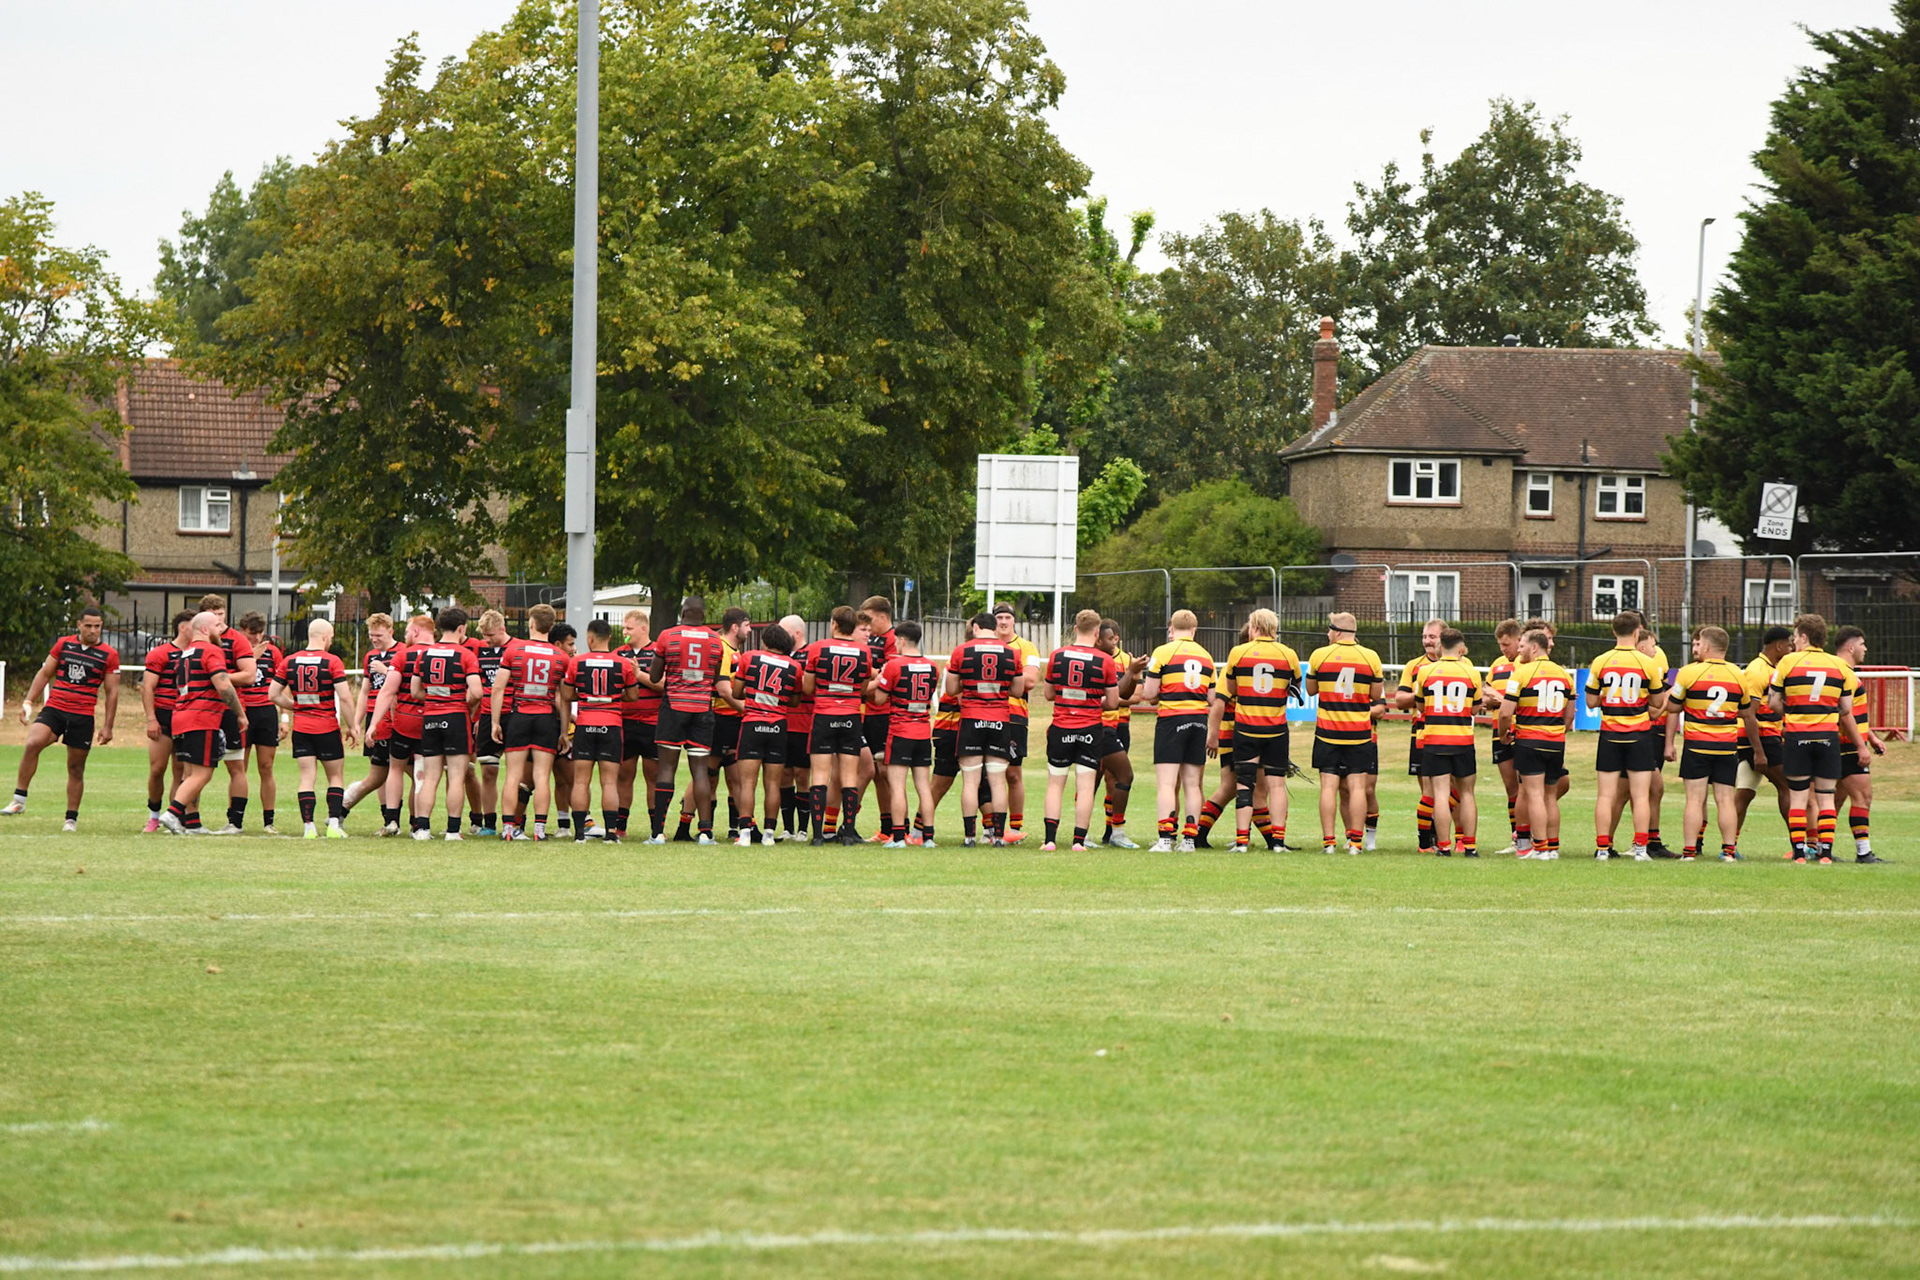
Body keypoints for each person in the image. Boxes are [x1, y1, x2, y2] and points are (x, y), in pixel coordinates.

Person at [2, 606, 120, 832]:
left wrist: (108, 726)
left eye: (98, 626)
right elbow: (45, 673)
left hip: (83, 715)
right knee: (33, 742)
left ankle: (70, 819)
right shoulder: (64, 644)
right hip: (55, 708)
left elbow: (112, 692)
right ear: (79, 625)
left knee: (76, 768)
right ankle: (19, 800)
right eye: (89, 626)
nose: (94, 630)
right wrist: (28, 701)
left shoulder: (109, 655)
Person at [1769, 613, 1862, 863]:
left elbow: (1773, 701)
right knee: (1826, 796)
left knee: (1798, 796)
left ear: (1804, 636)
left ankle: (1800, 853)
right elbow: (1845, 707)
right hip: (1827, 737)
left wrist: (1791, 713)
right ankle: (1826, 853)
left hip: (1797, 736)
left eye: (1795, 637)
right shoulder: (1839, 666)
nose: (1794, 641)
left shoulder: (1788, 662)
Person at [1664, 625, 1761, 862]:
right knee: (1726, 799)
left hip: (1697, 745)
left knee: (1695, 799)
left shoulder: (1688, 673)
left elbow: (1673, 708)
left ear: (1706, 646)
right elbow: (1746, 712)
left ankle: (1689, 852)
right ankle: (1728, 851)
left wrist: (1670, 741)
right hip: (1727, 745)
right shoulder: (1738, 674)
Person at [1209, 608, 1300, 853]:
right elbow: (1296, 687)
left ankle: (1241, 842)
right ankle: (1278, 842)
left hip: (1246, 728)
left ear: (1255, 627)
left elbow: (1231, 687)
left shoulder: (1239, 652)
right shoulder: (1288, 654)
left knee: (1244, 785)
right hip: (1276, 729)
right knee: (1277, 786)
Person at [1123, 609, 1214, 852]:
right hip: (1198, 720)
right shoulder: (1206, 656)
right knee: (1192, 784)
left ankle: (1165, 838)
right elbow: (1212, 697)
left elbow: (1149, 694)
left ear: (1171, 629)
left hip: (1172, 720)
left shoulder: (1163, 652)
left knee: (1166, 783)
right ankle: (1189, 840)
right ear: (1194, 630)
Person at [1585, 611, 1670, 860]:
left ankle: (1602, 848)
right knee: (1641, 794)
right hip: (1640, 734)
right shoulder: (1648, 664)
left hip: (1610, 734)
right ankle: (1641, 849)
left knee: (1605, 795)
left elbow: (1590, 701)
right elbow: (1656, 701)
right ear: (1637, 633)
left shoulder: (1601, 661)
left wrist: (1611, 697)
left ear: (1614, 632)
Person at [646, 597, 727, 844]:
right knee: (701, 771)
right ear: (703, 615)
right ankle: (706, 832)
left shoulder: (667, 636)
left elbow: (655, 675)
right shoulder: (715, 640)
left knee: (667, 768)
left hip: (674, 706)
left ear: (682, 613)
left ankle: (658, 833)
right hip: (702, 708)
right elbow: (714, 677)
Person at [1038, 610, 1120, 852]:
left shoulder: (1057, 656)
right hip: (1090, 729)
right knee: (1085, 786)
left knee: (1055, 784)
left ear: (1075, 629)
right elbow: (1113, 702)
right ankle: (1078, 842)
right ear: (1097, 633)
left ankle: (1050, 840)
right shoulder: (1105, 661)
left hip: (1061, 725)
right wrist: (1093, 701)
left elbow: (1049, 694)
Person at [1304, 612, 1384, 855]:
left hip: (1328, 731)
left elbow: (1310, 690)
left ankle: (1329, 843)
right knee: (1358, 786)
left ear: (1337, 631)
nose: (1327, 634)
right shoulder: (1370, 657)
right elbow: (1376, 695)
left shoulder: (1319, 655)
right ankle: (1356, 844)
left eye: (1329, 630)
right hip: (1359, 732)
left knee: (1328, 786)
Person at [158, 612, 245, 835]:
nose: (221, 629)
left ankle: (193, 823)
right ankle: (172, 813)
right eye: (217, 625)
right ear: (204, 630)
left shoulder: (184, 654)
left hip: (181, 716)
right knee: (202, 774)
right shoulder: (212, 651)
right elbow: (223, 686)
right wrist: (240, 713)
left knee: (189, 772)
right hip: (202, 716)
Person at [1397, 628, 1480, 856]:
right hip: (1462, 739)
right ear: (1461, 648)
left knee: (1440, 794)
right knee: (1467, 794)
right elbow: (1475, 708)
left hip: (1434, 739)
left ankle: (1443, 847)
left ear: (1440, 647)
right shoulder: (1471, 672)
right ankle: (1469, 846)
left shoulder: (1426, 671)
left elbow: (1421, 706)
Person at [270, 619, 356, 839]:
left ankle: (309, 827)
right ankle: (334, 825)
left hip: (302, 727)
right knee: (335, 777)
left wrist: (297, 706)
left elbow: (273, 694)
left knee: (306, 777)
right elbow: (345, 698)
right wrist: (353, 726)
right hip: (326, 726)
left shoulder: (290, 660)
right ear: (326, 636)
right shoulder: (332, 661)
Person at [946, 612, 1023, 847]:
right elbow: (1018, 691)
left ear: (976, 626)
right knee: (998, 781)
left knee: (970, 782)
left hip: (971, 718)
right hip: (999, 718)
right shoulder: (1012, 653)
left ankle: (969, 837)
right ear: (995, 628)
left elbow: (950, 688)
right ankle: (998, 837)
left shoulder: (962, 650)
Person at [405, 608, 482, 841]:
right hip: (456, 717)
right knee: (457, 776)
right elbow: (477, 691)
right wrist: (463, 702)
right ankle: (452, 830)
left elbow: (414, 691)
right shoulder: (466, 655)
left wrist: (434, 698)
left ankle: (423, 828)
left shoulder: (424, 655)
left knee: (430, 777)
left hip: (430, 717)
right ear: (462, 628)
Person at [800, 605, 876, 845]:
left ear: (834, 623)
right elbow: (863, 689)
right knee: (849, 776)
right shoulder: (864, 652)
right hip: (851, 716)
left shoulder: (817, 648)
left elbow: (808, 688)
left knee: (820, 775)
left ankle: (818, 835)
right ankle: (848, 832)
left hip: (823, 714)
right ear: (853, 626)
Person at [1497, 627, 1575, 860]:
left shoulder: (1522, 674)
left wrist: (1503, 735)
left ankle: (1539, 847)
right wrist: (1557, 731)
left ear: (1533, 647)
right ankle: (1553, 848)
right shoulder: (1564, 675)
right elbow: (1570, 715)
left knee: (1533, 794)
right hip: (1555, 741)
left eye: (1522, 646)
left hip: (1530, 740)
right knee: (1550, 795)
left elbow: (1504, 713)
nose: (1519, 650)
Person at [492, 604, 567, 841]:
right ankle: (539, 830)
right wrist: (564, 731)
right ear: (551, 627)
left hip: (520, 715)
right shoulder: (561, 656)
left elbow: (498, 688)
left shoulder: (514, 650)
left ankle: (507, 828)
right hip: (546, 717)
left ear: (531, 624)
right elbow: (563, 698)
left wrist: (495, 722)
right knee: (542, 776)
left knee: (513, 775)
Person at [561, 619, 637, 843]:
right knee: (610, 782)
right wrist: (613, 697)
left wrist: (584, 696)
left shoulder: (578, 662)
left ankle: (579, 834)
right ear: (610, 638)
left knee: (581, 781)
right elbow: (633, 696)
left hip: (585, 724)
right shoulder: (622, 663)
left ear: (590, 638)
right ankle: (611, 834)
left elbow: (566, 695)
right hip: (611, 724)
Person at [726, 623, 800, 846]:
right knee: (773, 784)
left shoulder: (749, 657)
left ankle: (746, 833)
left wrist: (755, 691)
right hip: (777, 726)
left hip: (753, 723)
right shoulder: (794, 666)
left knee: (747, 782)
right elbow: (794, 701)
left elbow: (736, 692)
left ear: (765, 642)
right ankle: (769, 834)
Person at [871, 620, 941, 848]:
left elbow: (880, 699)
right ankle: (928, 837)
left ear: (901, 640)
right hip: (922, 731)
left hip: (900, 731)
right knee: (923, 786)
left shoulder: (893, 665)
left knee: (898, 785)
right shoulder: (932, 667)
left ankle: (899, 837)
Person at [366, 614, 434, 836]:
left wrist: (373, 723)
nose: (406, 636)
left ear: (416, 631)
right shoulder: (443, 653)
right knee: (421, 773)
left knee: (395, 769)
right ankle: (419, 823)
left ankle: (392, 821)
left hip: (404, 720)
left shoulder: (403, 655)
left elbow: (387, 691)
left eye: (407, 631)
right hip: (432, 721)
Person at [198, 594, 257, 834]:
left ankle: (235, 821)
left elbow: (249, 675)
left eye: (221, 613)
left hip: (230, 711)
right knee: (195, 768)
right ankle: (190, 819)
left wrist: (218, 678)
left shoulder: (237, 640)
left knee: (236, 767)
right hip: (201, 711)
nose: (218, 619)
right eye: (213, 615)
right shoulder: (197, 641)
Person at [1736, 625, 1795, 855]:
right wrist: (1758, 751)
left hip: (1764, 738)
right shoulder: (1758, 670)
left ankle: (1729, 847)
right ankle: (1799, 845)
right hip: (1760, 739)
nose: (1791, 648)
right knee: (1788, 785)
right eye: (1789, 644)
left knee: (1745, 792)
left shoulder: (1772, 668)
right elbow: (1749, 713)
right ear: (1779, 646)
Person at [1833, 625, 1888, 863]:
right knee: (1863, 797)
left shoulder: (1837, 670)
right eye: (1863, 644)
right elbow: (1844, 714)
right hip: (1847, 744)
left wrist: (1872, 736)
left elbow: (1852, 712)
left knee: (1832, 799)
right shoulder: (1845, 673)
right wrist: (1861, 745)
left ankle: (1815, 847)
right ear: (1850, 646)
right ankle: (1863, 852)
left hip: (1840, 742)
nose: (1865, 649)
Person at [341, 613, 401, 828]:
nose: (375, 639)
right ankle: (389, 820)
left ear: (391, 632)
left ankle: (411, 821)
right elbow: (366, 692)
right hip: (376, 722)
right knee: (380, 773)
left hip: (396, 720)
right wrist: (357, 722)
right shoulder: (370, 657)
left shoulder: (401, 652)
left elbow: (402, 686)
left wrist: (387, 671)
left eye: (379, 635)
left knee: (400, 769)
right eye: (371, 635)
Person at [992, 603, 1045, 843]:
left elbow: (1031, 681)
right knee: (987, 773)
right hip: (987, 714)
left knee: (1013, 773)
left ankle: (1015, 827)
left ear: (1014, 621)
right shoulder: (986, 645)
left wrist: (993, 680)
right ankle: (989, 828)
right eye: (999, 617)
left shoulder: (1026, 647)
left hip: (1014, 716)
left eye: (1007, 617)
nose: (1003, 622)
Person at [140, 610, 195, 833]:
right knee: (157, 768)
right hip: (164, 716)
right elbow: (147, 687)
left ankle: (173, 817)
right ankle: (153, 815)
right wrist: (151, 718)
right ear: (183, 627)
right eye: (195, 625)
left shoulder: (198, 653)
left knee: (181, 771)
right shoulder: (161, 653)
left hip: (188, 716)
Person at [1094, 619, 1145, 848]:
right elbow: (1118, 698)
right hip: (1098, 725)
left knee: (1113, 778)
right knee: (1094, 776)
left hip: (1120, 725)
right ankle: (1091, 832)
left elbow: (1135, 696)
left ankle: (1110, 831)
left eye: (1115, 638)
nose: (1113, 642)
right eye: (1108, 638)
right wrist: (1115, 698)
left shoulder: (1126, 660)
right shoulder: (1095, 659)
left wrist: (1123, 689)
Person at [463, 610, 512, 836]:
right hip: (485, 715)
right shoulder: (479, 650)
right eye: (484, 634)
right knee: (488, 771)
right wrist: (476, 718)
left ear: (502, 629)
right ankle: (489, 824)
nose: (487, 638)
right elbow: (476, 688)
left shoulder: (516, 648)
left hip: (513, 714)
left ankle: (515, 822)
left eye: (491, 634)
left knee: (517, 772)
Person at [1397, 619, 1445, 852]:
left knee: (1451, 788)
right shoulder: (1414, 666)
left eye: (1432, 637)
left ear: (1443, 639)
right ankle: (1427, 839)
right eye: (1425, 636)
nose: (1427, 641)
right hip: (1422, 731)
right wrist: (1423, 690)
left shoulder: (1461, 663)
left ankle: (1448, 836)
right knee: (1427, 788)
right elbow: (1399, 700)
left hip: (1451, 732)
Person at [235, 612, 285, 834]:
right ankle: (236, 819)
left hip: (266, 711)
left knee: (266, 767)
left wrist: (285, 717)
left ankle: (269, 821)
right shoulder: (236, 649)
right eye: (250, 634)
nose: (255, 638)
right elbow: (227, 677)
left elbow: (283, 684)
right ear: (242, 630)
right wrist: (251, 657)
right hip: (242, 711)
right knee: (239, 767)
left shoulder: (273, 652)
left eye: (258, 634)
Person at [614, 609, 660, 841]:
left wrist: (637, 674)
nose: (624, 632)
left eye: (629, 628)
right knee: (624, 775)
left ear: (644, 629)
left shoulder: (658, 652)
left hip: (653, 723)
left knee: (653, 776)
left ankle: (655, 827)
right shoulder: (618, 653)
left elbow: (664, 685)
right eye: (623, 628)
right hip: (625, 722)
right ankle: (620, 825)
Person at [860, 596, 901, 841]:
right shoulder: (871, 639)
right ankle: (886, 828)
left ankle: (898, 827)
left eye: (870, 618)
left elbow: (890, 674)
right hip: (869, 712)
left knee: (887, 771)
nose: (866, 623)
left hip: (884, 713)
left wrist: (870, 677)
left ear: (883, 617)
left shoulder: (893, 641)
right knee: (876, 772)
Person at [1484, 619, 1524, 853]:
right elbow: (1485, 696)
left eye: (1506, 644)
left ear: (1519, 640)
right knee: (1511, 789)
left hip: (1522, 732)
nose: (1503, 649)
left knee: (1526, 787)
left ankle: (1527, 835)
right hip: (1499, 732)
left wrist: (1499, 698)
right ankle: (1515, 837)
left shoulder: (1526, 663)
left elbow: (1525, 703)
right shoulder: (1497, 665)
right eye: (1500, 645)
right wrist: (1494, 698)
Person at [776, 614, 814, 839]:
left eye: (784, 631)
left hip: (804, 722)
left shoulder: (810, 655)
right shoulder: (780, 655)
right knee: (783, 774)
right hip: (781, 721)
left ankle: (802, 828)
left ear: (797, 633)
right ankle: (787, 828)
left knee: (802, 774)